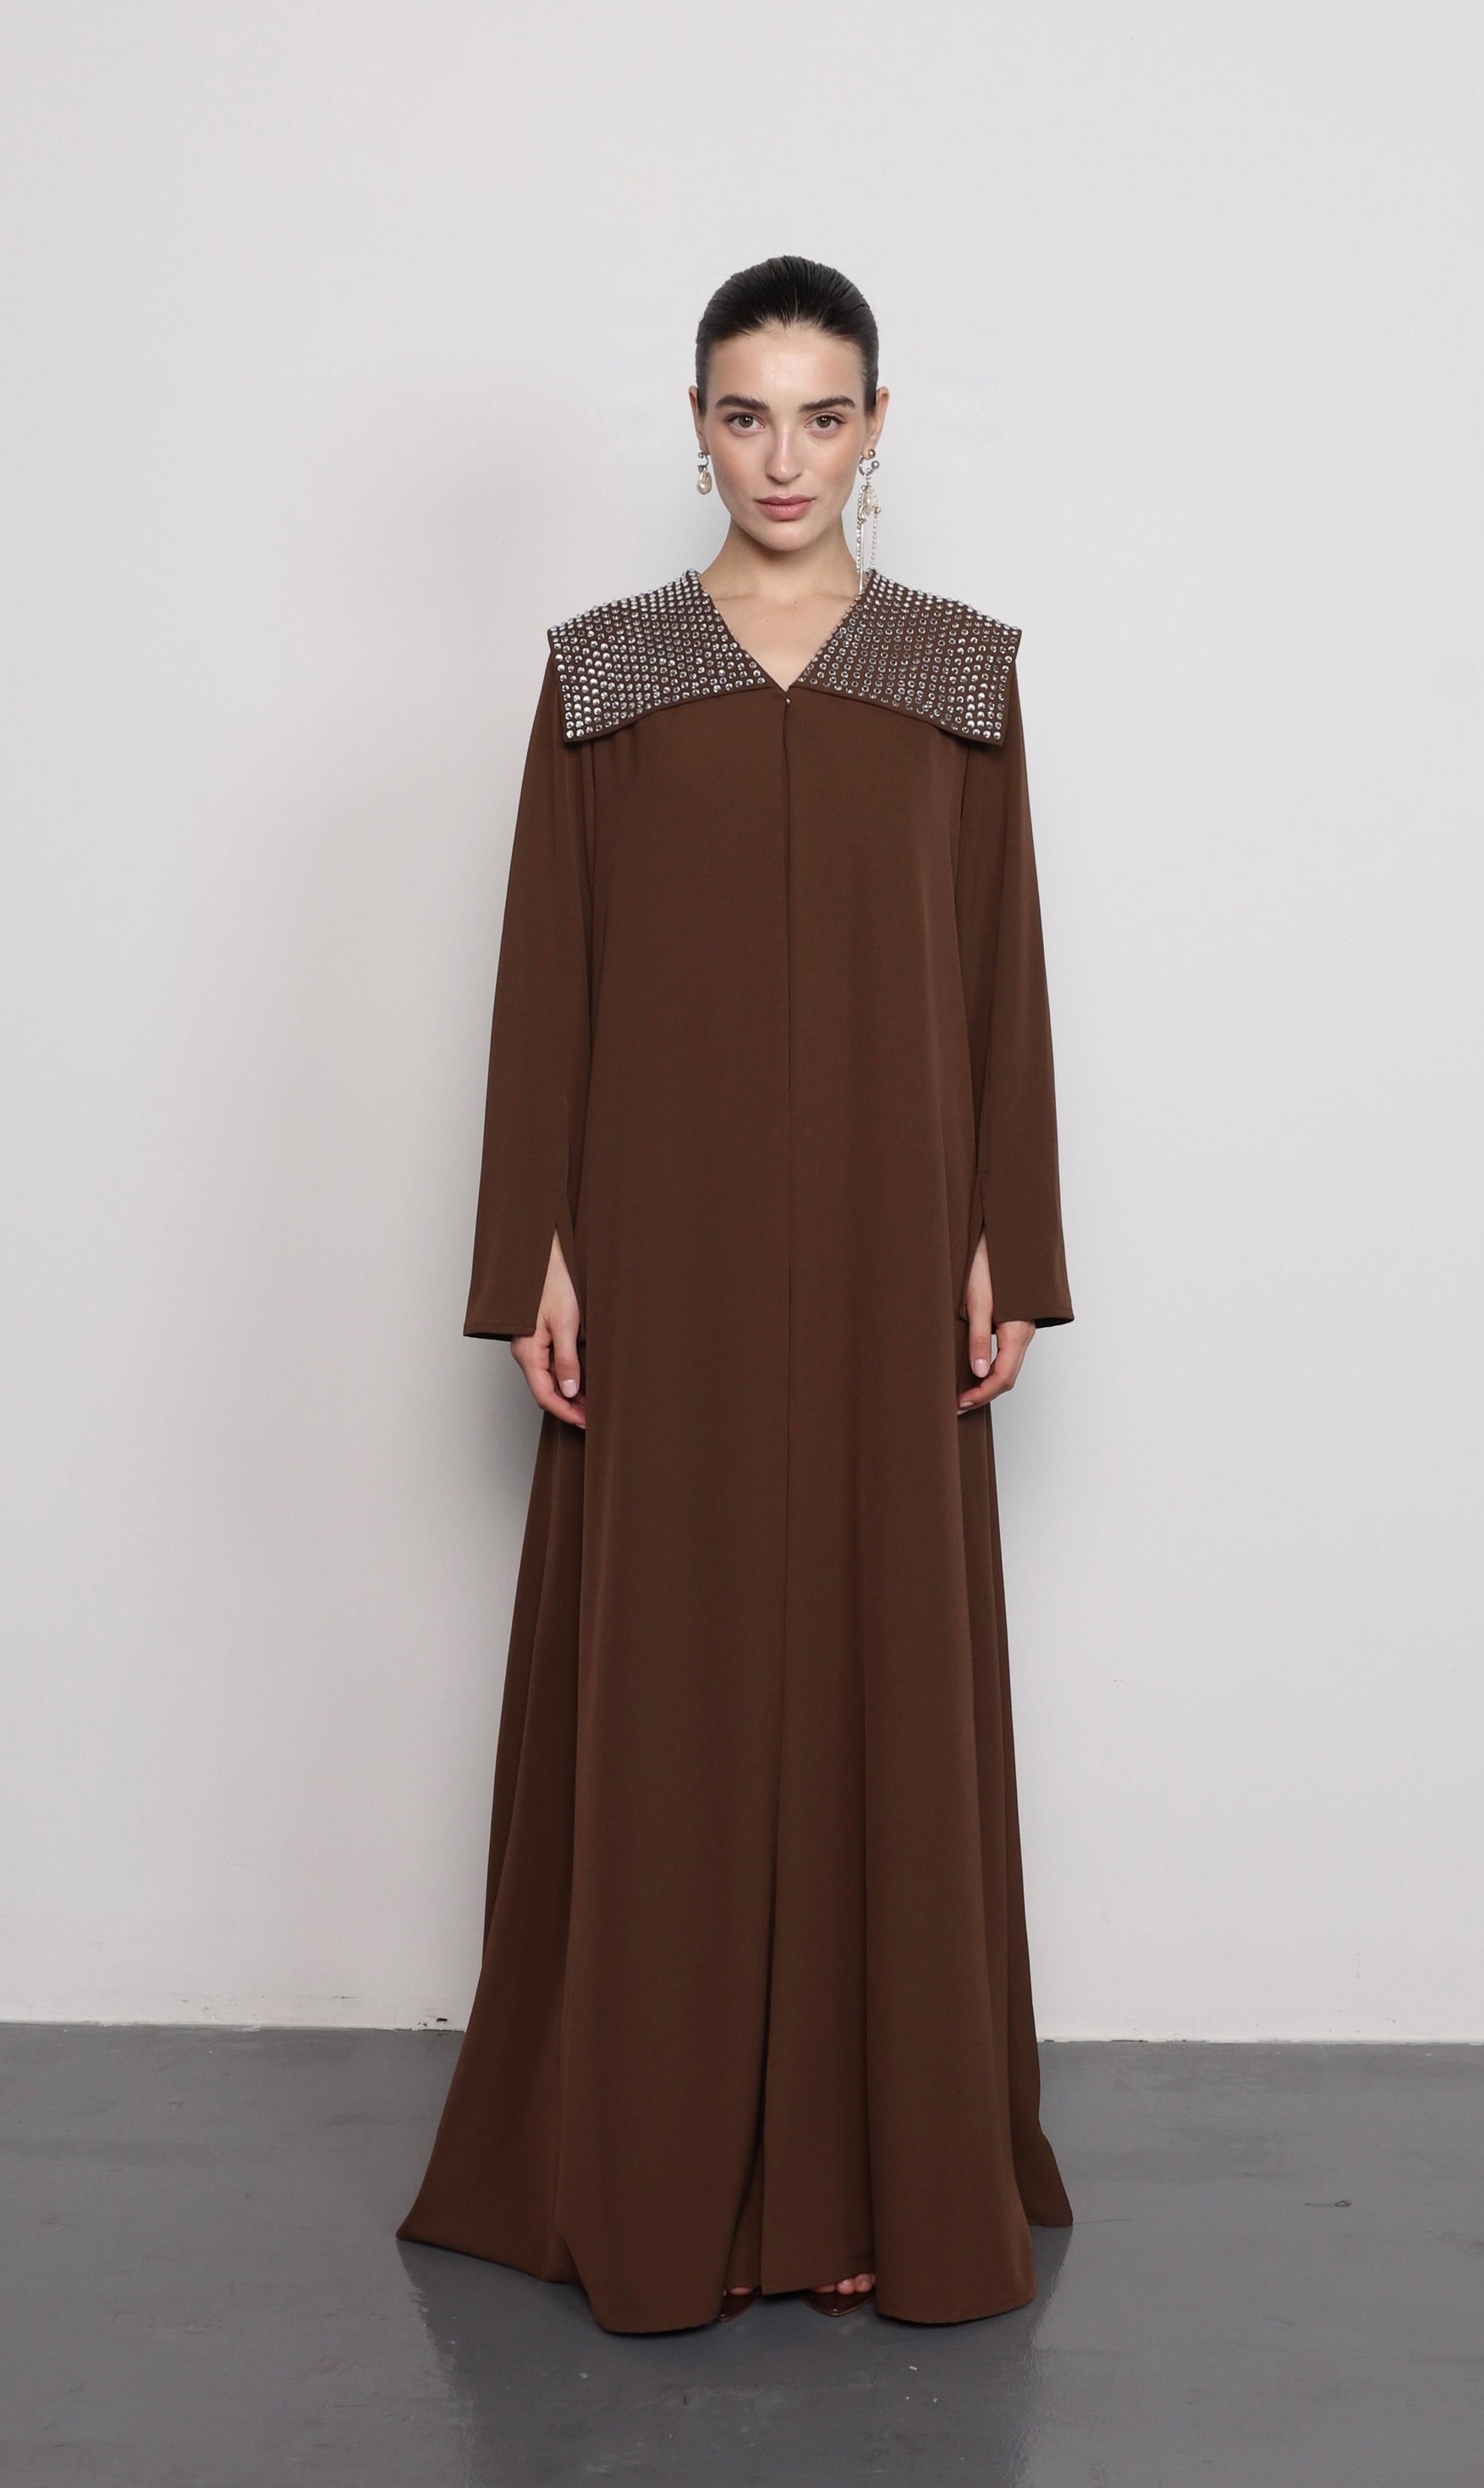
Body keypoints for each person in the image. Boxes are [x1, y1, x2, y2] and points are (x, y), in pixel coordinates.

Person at [396, 254, 1075, 2335]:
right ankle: (666, 2172)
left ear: (877, 426)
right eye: (744, 413)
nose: (784, 457)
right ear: (694, 426)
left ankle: (869, 2170)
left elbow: (997, 962)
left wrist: (1005, 1233)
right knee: (676, 1682)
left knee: (877, 1673)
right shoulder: (604, 672)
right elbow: (549, 966)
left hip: (890, 1237)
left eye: (822, 414)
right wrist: (537, 1244)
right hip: (659, 1242)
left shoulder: (956, 671)